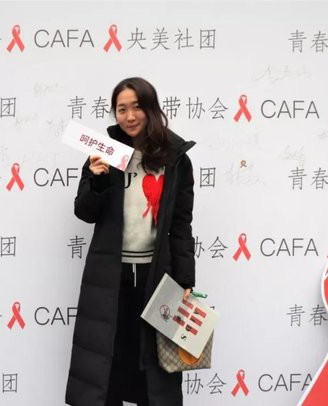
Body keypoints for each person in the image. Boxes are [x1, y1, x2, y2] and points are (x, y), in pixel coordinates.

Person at [65, 77, 196, 406]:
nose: (130, 116)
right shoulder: (105, 154)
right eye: (121, 109)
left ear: (151, 109)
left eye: (137, 107)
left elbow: (181, 224)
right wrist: (96, 181)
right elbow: (85, 212)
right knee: (109, 362)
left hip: (157, 276)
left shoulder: (175, 158)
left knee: (152, 369)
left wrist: (185, 280)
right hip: (111, 275)